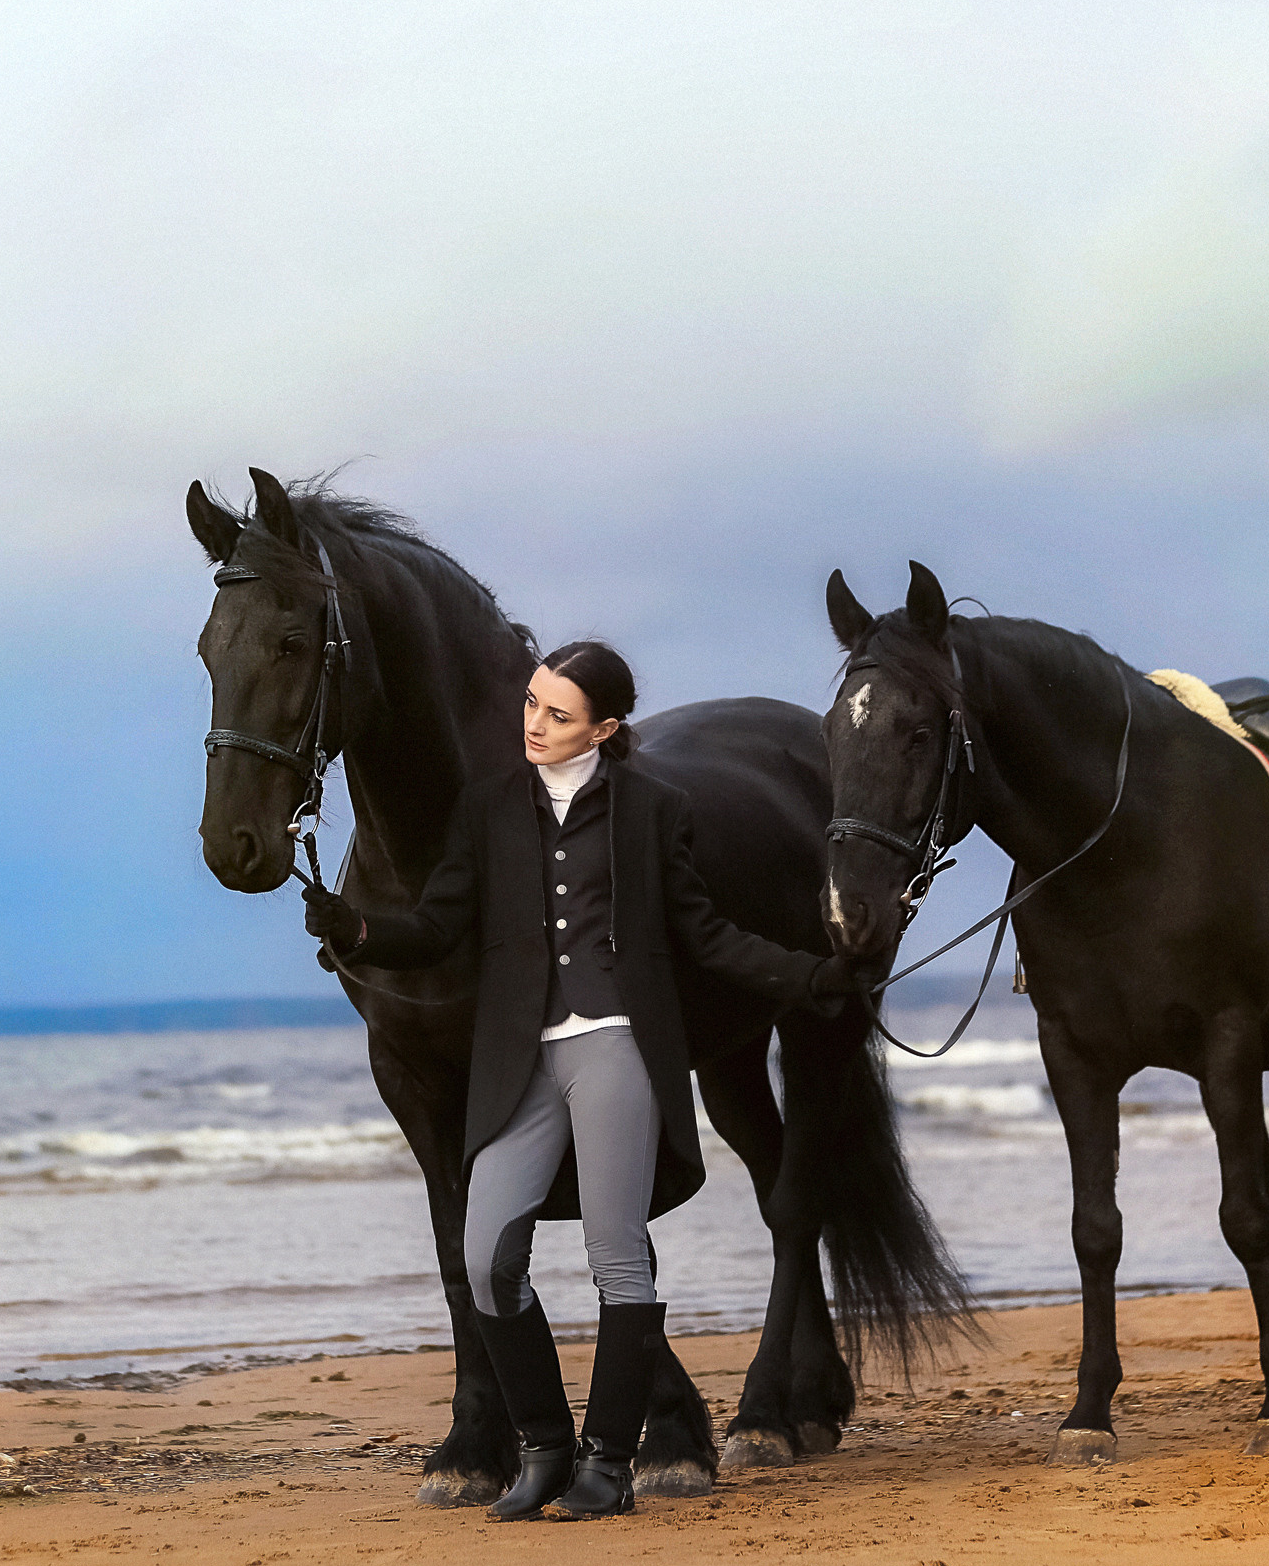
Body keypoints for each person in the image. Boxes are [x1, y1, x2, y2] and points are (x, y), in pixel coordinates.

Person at [303, 640, 872, 1521]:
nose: (534, 725)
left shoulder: (653, 810)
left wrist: (811, 976)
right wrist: (358, 929)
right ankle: (543, 1447)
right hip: (521, 1060)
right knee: (488, 1256)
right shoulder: (490, 810)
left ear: (603, 730)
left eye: (558, 714)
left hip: (614, 1049)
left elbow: (706, 934)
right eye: (530, 705)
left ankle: (608, 1461)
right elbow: (439, 922)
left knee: (617, 1257)